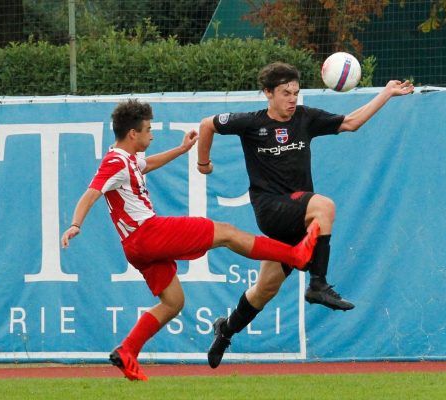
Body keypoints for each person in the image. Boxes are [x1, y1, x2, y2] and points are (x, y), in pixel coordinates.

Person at [61, 98, 322, 381]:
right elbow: (91, 192)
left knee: (173, 302)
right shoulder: (114, 161)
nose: (152, 134)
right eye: (148, 129)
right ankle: (295, 256)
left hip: (135, 247)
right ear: (133, 133)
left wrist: (183, 149)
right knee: (226, 233)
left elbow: (146, 164)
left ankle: (127, 351)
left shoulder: (126, 159)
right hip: (148, 233)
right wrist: (75, 224)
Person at [197, 62, 414, 369]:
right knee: (324, 206)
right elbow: (207, 124)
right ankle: (318, 284)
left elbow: (351, 122)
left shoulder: (305, 117)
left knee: (264, 290)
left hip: (297, 218)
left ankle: (225, 330)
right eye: (286, 93)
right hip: (271, 209)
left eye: (296, 93)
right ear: (268, 93)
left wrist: (387, 93)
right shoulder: (249, 122)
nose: (292, 99)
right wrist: (203, 164)